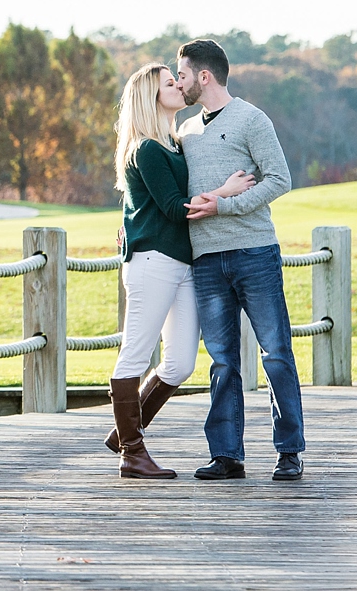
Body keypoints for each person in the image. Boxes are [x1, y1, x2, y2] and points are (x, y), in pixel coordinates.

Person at [105, 63, 254, 479]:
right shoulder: (147, 149)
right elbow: (172, 209)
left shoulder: (172, 142)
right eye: (169, 83)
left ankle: (124, 432)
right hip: (153, 262)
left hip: (181, 264)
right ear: (151, 96)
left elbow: (144, 205)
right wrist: (224, 192)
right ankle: (131, 453)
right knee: (134, 354)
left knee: (181, 363)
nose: (178, 86)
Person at [175, 38, 304, 482]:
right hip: (207, 260)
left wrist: (224, 206)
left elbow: (280, 179)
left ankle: (289, 451)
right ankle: (226, 455)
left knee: (276, 354)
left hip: (254, 253)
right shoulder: (185, 131)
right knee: (223, 360)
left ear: (204, 76)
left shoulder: (252, 119)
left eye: (184, 75)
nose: (179, 82)